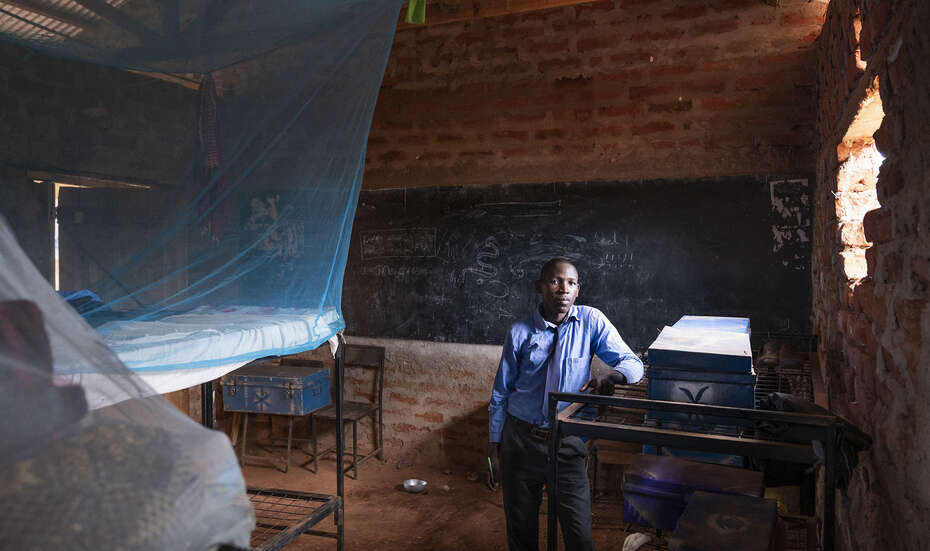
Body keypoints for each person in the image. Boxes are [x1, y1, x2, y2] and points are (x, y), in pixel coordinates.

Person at [487, 258, 644, 551]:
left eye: (571, 283)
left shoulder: (591, 321)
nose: (563, 289)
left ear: (578, 290)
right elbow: (501, 394)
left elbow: (633, 364)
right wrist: (494, 449)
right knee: (521, 532)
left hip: (567, 443)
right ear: (540, 287)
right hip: (520, 442)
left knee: (579, 535)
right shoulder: (520, 332)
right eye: (555, 281)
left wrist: (612, 375)